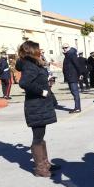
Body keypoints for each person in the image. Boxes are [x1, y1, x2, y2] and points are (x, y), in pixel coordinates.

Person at [15, 40, 60, 177]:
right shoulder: (29, 65)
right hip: (36, 106)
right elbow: (24, 83)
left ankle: (45, 163)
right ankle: (40, 169)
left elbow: (34, 80)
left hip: (40, 105)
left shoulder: (34, 63)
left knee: (40, 136)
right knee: (37, 137)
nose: (40, 50)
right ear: (32, 50)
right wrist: (41, 91)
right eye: (38, 48)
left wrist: (47, 82)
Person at [62, 44, 83, 113]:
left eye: (66, 47)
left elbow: (77, 64)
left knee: (75, 92)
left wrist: (80, 74)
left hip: (72, 76)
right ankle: (77, 107)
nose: (64, 49)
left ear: (69, 48)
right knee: (73, 92)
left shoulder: (72, 54)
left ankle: (77, 108)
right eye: (63, 48)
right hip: (70, 76)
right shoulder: (68, 55)